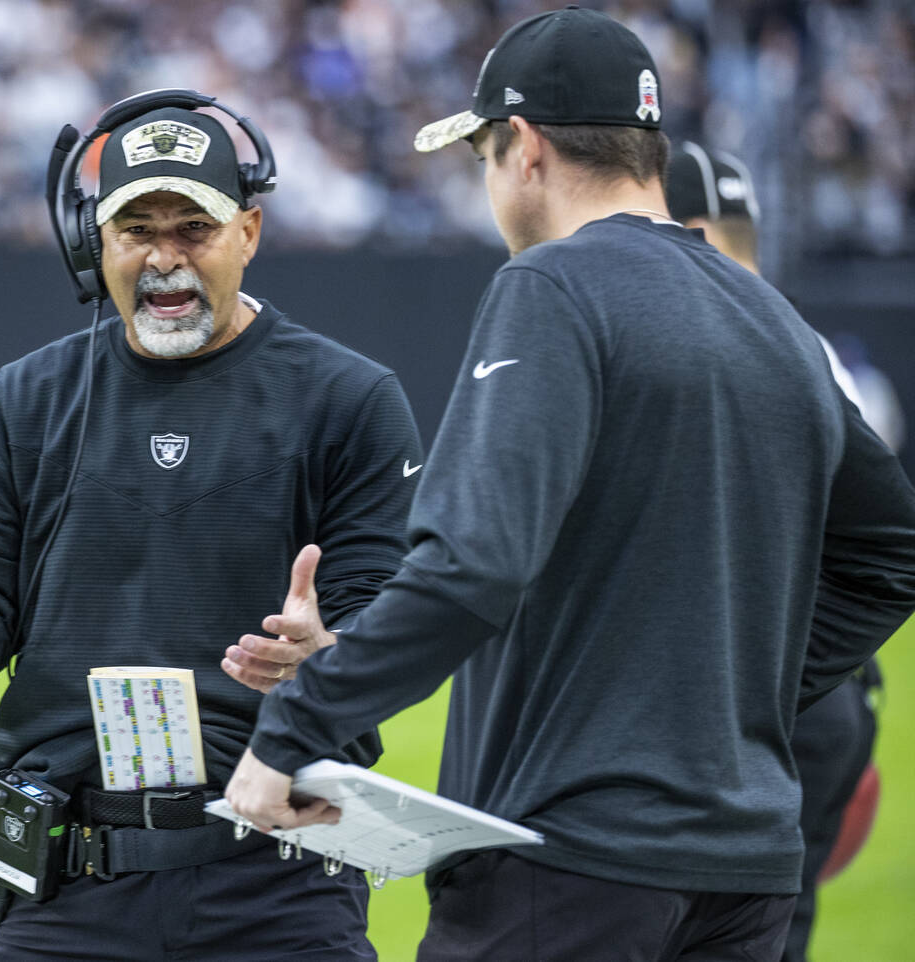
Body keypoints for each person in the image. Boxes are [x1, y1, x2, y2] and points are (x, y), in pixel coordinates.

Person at [225, 9, 915, 962]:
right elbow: (892, 554)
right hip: (746, 871)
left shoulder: (550, 286)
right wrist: (715, 698)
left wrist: (296, 727)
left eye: (483, 158)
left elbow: (471, 566)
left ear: (528, 148)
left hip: (572, 863)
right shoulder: (775, 320)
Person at [0, 96, 423, 961]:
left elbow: (387, 612)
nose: (164, 257)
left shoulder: (349, 398)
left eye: (193, 228)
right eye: (137, 228)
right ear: (92, 243)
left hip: (277, 880)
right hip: (66, 879)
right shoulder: (28, 397)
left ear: (248, 231)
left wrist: (334, 651)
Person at [666, 142, 886, 962]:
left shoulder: (732, 350)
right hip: (833, 692)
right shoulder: (812, 347)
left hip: (768, 693)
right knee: (773, 932)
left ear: (688, 230)